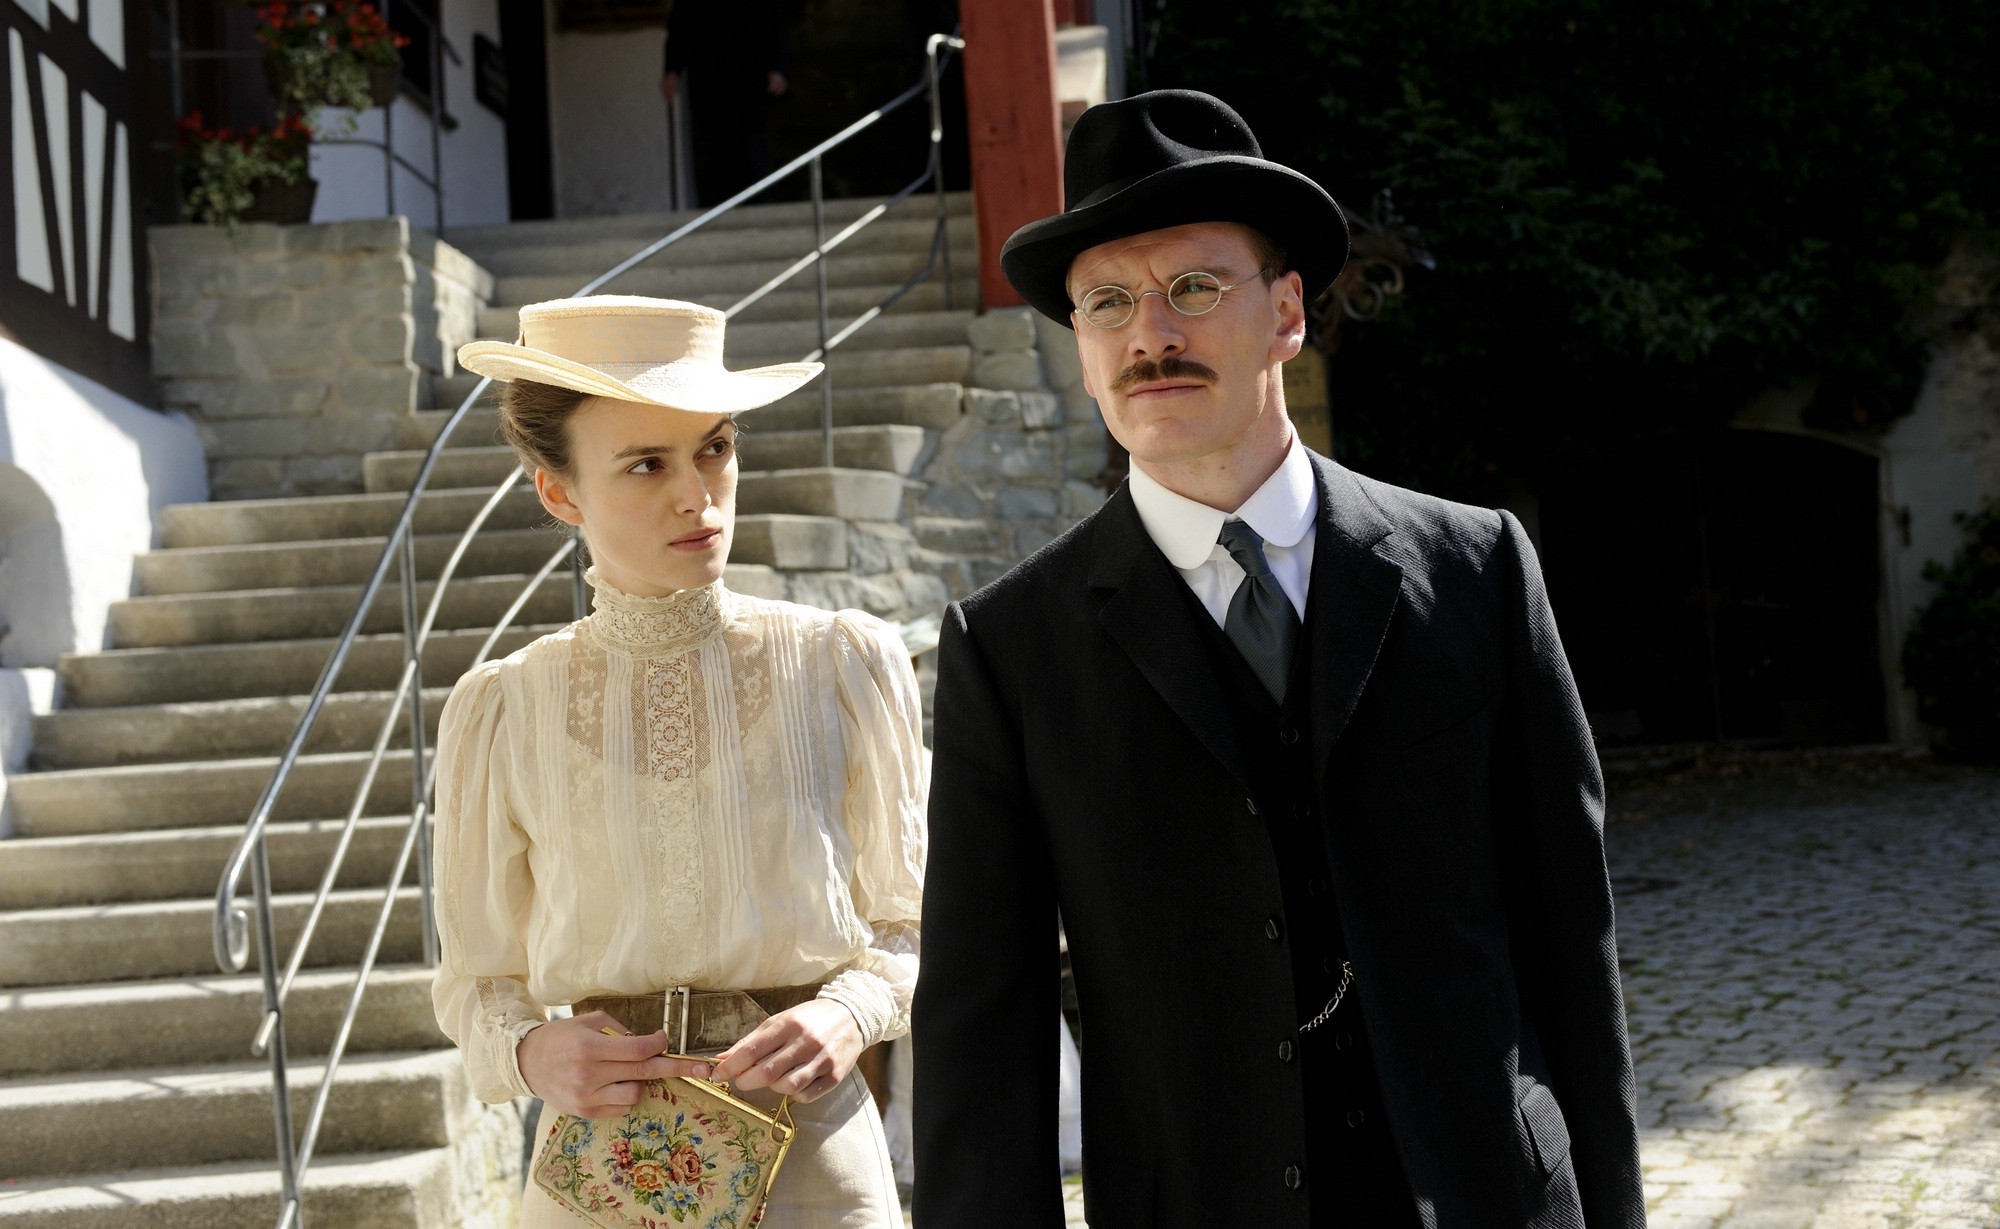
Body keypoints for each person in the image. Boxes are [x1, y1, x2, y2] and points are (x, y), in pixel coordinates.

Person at [913, 91, 1645, 1228]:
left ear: (1288, 312)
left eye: (1192, 287)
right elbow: (981, 1032)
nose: (1148, 333)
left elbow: (1569, 941)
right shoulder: (1006, 649)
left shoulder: (1477, 570)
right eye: (1106, 302)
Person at [434, 296, 925, 1228]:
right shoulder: (503, 706)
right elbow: (475, 977)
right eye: (646, 463)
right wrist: (534, 1051)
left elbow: (915, 914)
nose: (698, 493)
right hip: (598, 1171)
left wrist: (848, 1014)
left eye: (716, 446)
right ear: (557, 491)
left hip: (813, 1154)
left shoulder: (842, 663)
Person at [660, 0, 789, 206]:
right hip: (708, 78)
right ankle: (719, 212)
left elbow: (775, 21)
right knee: (714, 149)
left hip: (750, 76)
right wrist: (672, 70)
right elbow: (680, 25)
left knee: (751, 148)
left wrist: (778, 67)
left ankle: (754, 210)